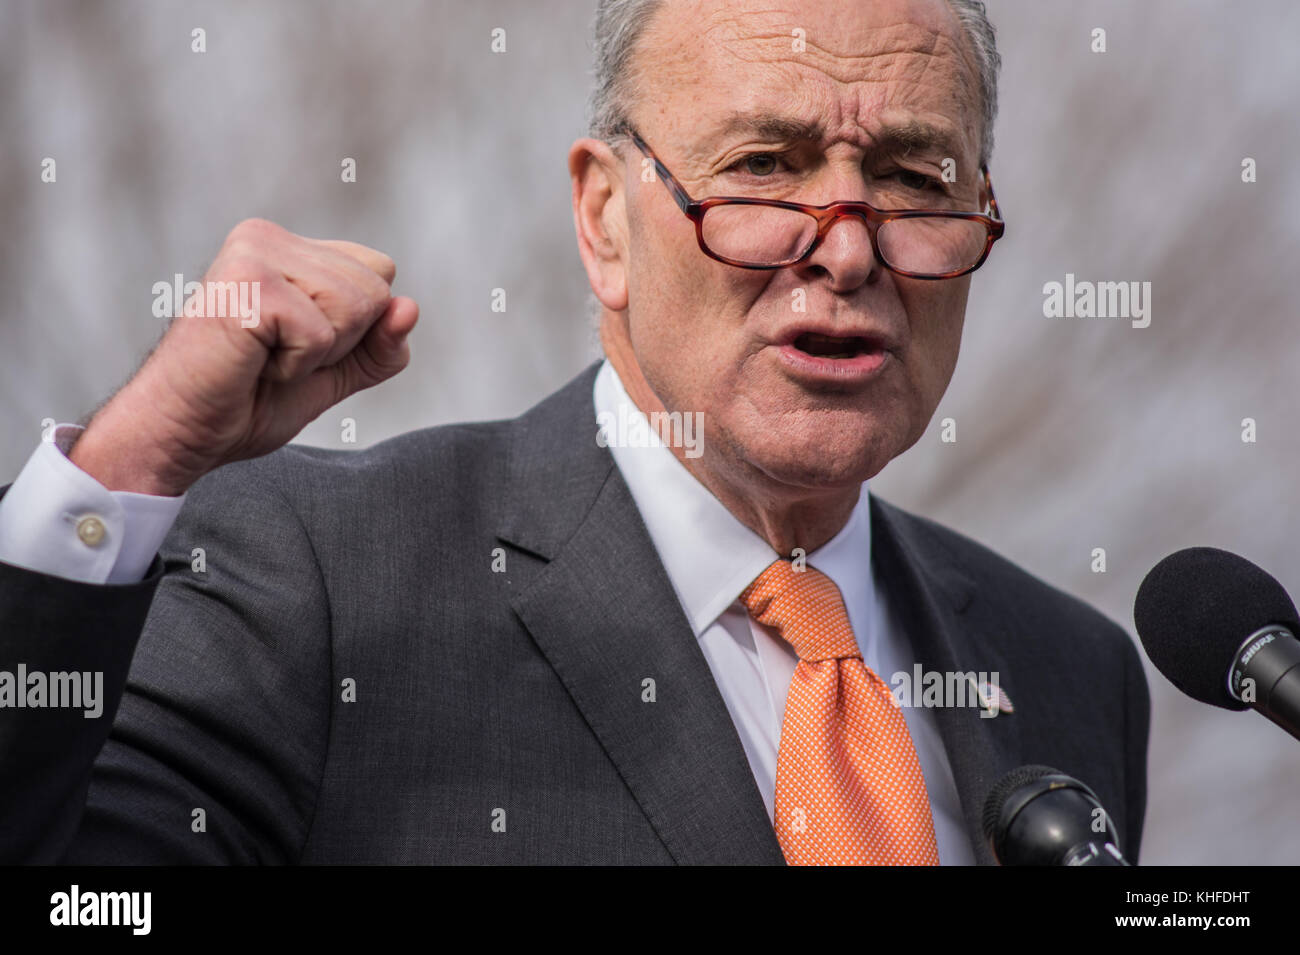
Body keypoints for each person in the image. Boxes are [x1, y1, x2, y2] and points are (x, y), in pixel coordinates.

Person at [0, 0, 1148, 865]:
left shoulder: (1071, 671)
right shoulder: (319, 580)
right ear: (603, 221)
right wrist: (128, 466)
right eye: (761, 167)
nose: (846, 251)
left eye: (911, 176)